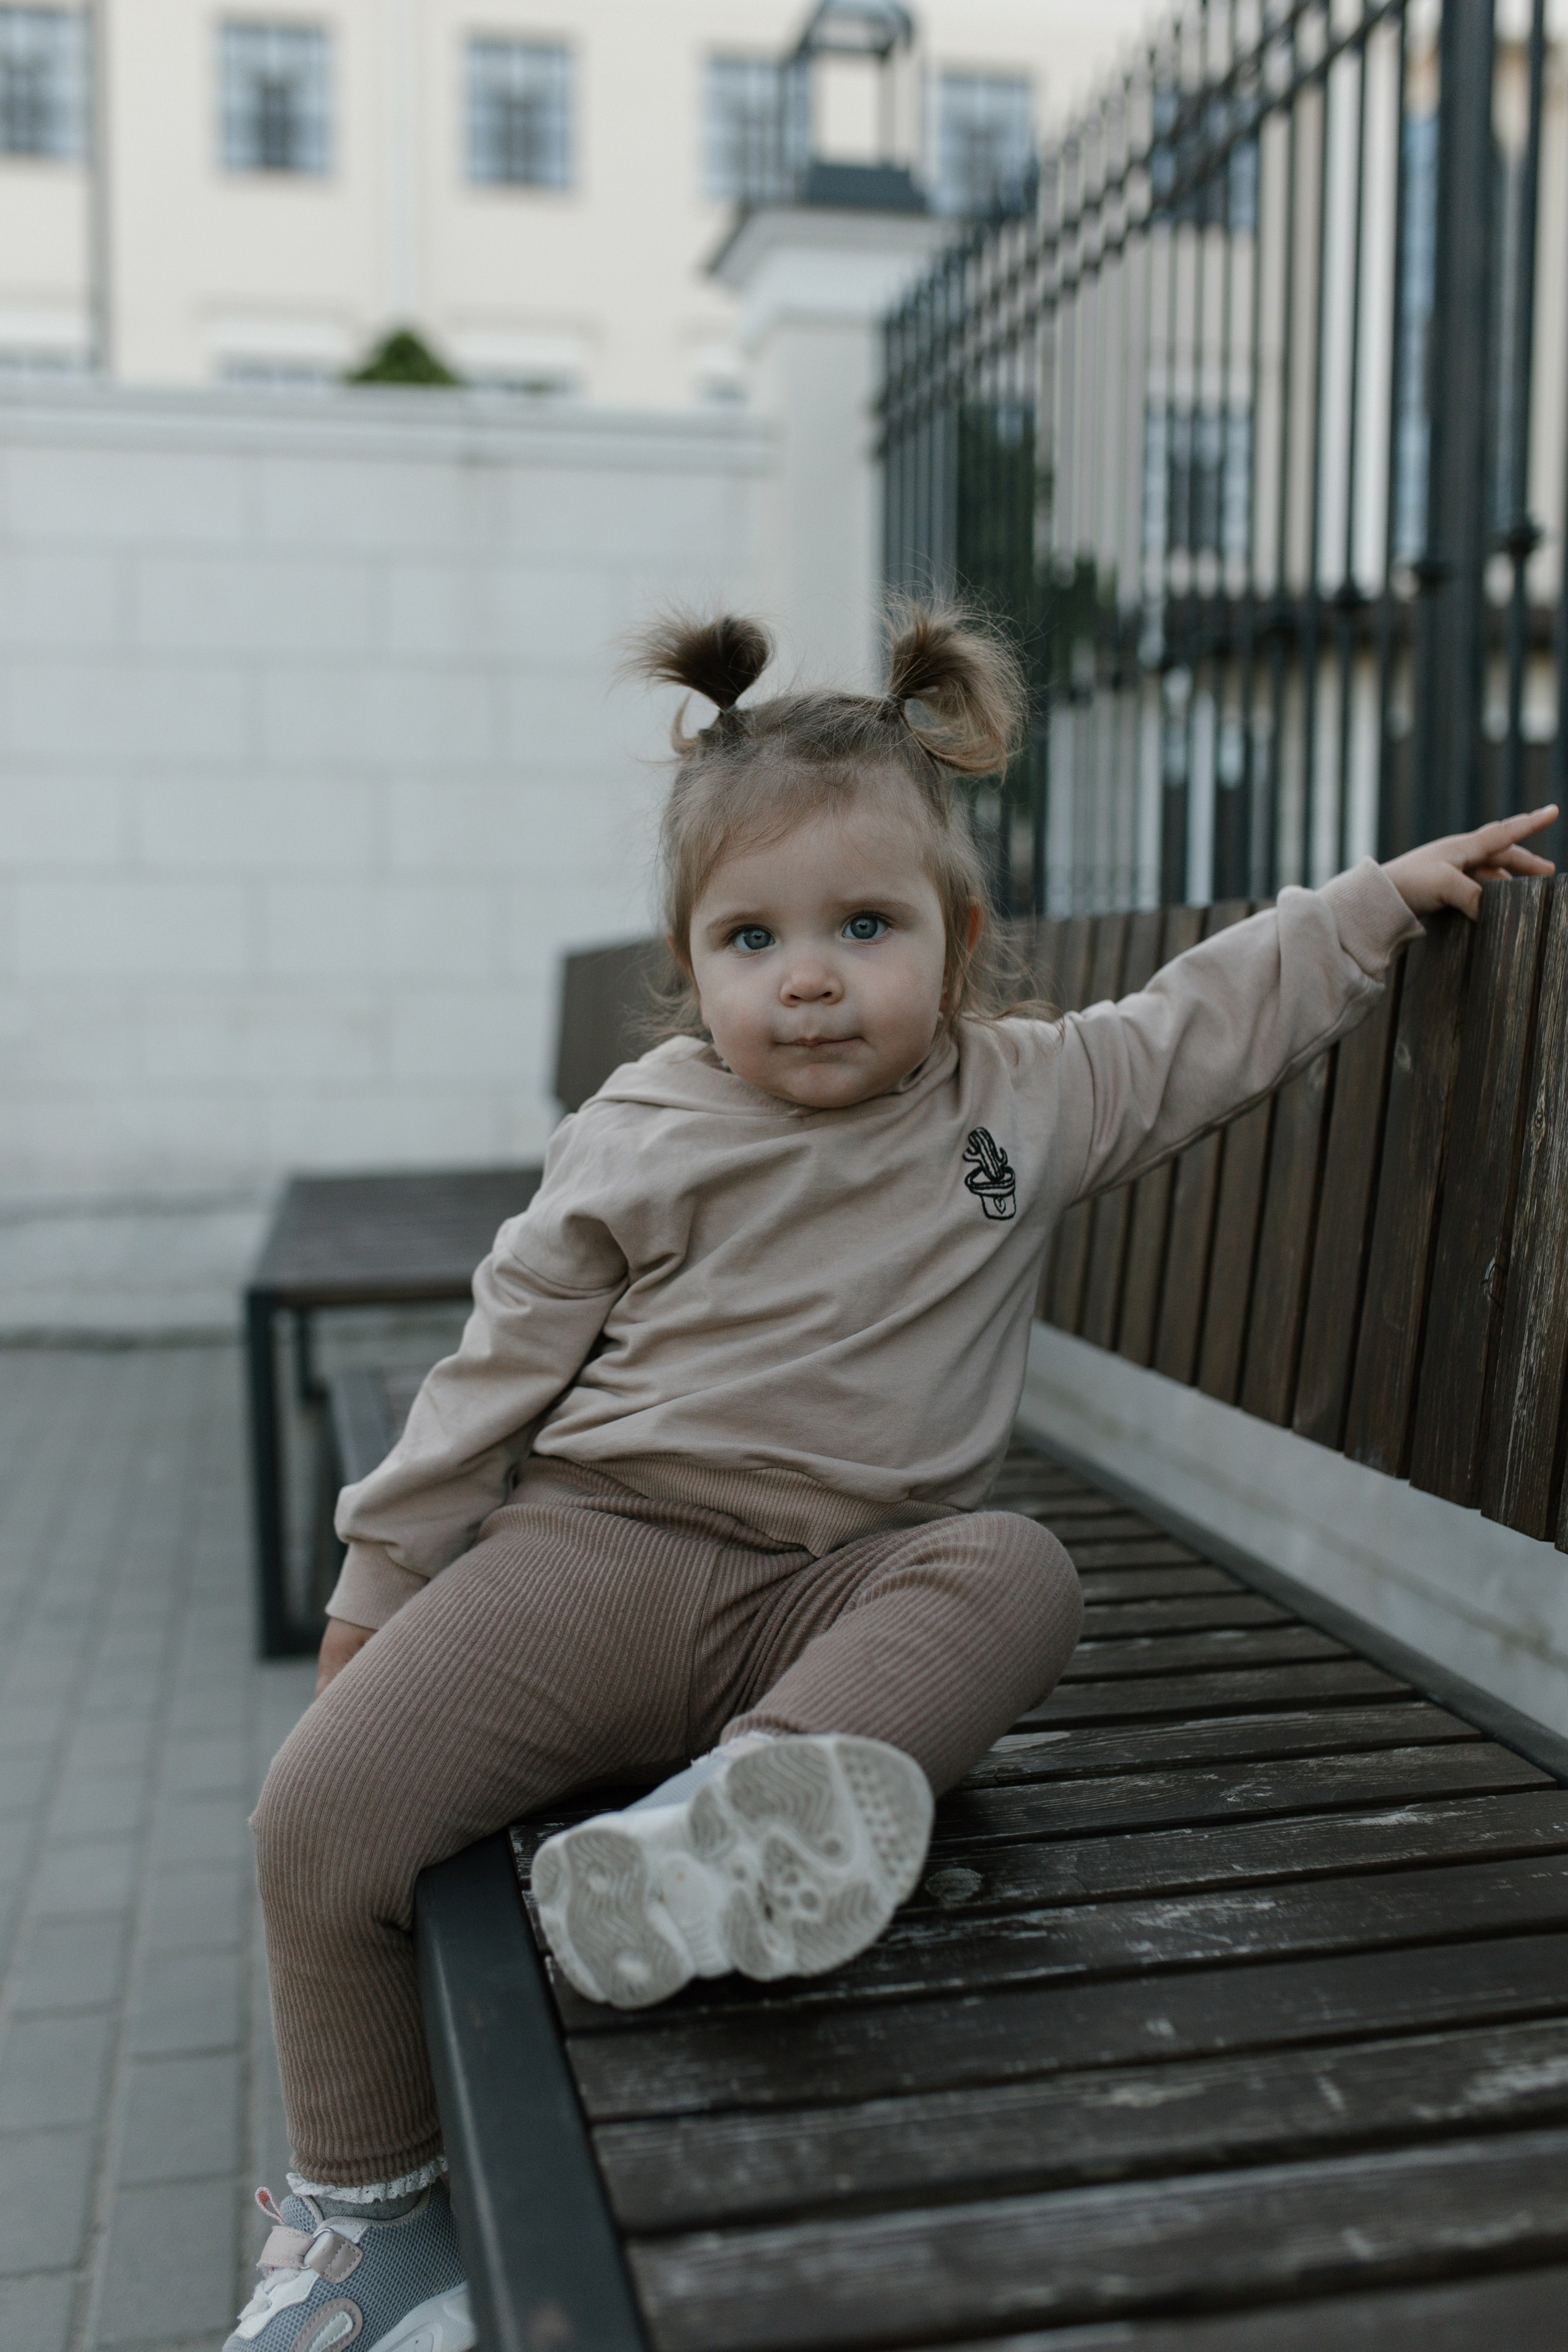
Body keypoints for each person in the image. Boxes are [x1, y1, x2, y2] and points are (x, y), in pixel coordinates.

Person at [224, 607, 1556, 2352]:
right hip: (604, 1559)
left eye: (866, 927)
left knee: (1019, 1572)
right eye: (754, 936)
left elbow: (1208, 1018)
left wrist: (1376, 900)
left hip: (850, 1590)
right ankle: (368, 2225)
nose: (812, 976)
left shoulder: (1027, 1097)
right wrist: (382, 1585)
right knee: (316, 1818)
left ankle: (744, 1822)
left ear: (959, 940)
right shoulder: (647, 1125)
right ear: (692, 962)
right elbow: (498, 1363)